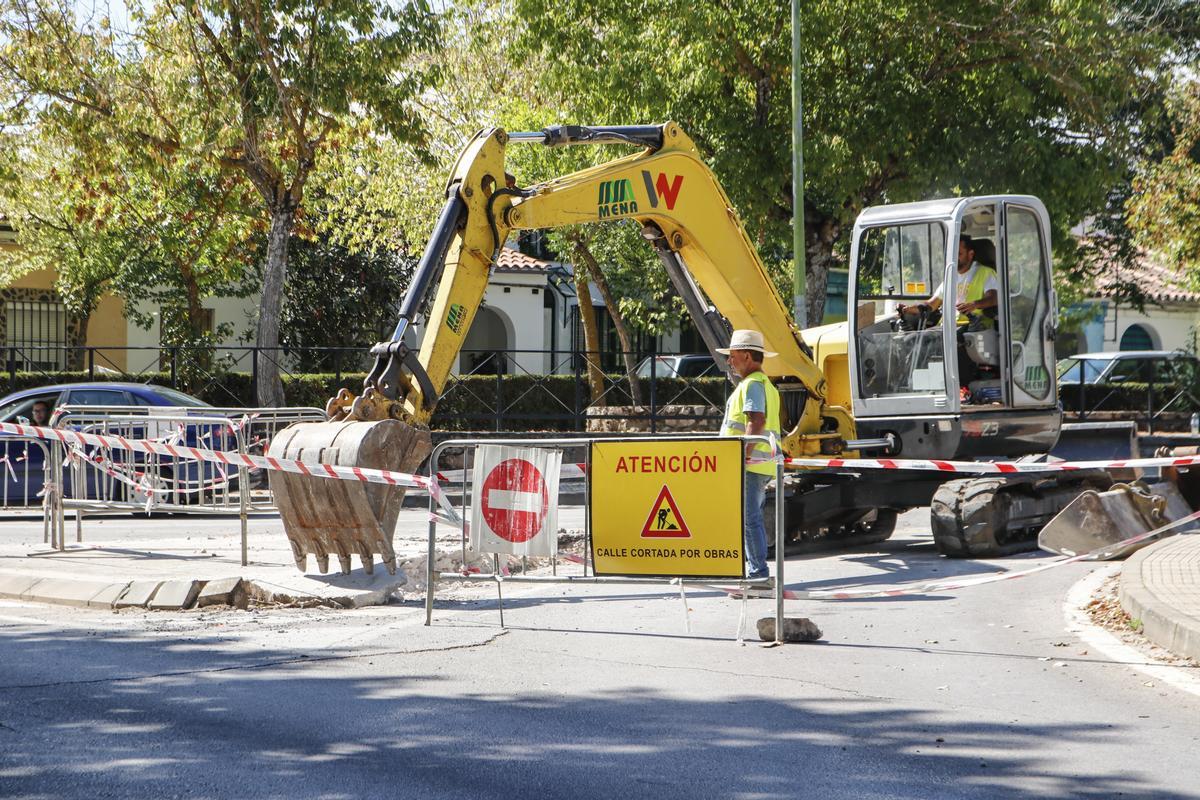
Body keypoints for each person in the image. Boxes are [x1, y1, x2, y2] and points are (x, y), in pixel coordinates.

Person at [716, 329, 781, 584]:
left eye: (731, 356)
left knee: (749, 519)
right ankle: (756, 573)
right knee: (751, 518)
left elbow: (757, 422)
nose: (729, 362)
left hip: (751, 465)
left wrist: (740, 458)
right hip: (760, 463)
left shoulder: (753, 384)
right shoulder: (766, 385)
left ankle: (758, 576)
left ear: (745, 355)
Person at [897, 234, 999, 392]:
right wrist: (909, 309)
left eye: (958, 254)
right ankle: (916, 386)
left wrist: (974, 305)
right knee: (911, 339)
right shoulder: (950, 277)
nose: (954, 258)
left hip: (974, 326)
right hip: (948, 327)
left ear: (970, 254)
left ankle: (946, 387)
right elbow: (931, 305)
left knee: (937, 340)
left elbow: (994, 298)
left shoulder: (985, 273)